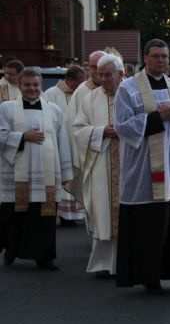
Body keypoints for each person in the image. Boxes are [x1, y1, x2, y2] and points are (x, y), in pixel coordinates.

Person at [114, 39, 170, 294]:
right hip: (145, 169)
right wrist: (157, 117)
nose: (161, 60)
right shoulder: (128, 89)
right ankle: (149, 276)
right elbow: (122, 125)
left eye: (165, 56)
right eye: (156, 56)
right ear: (145, 58)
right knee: (149, 225)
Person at [0, 68, 72, 270]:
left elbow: (62, 141)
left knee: (44, 217)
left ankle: (45, 257)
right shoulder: (6, 109)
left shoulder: (54, 110)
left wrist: (66, 172)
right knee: (14, 216)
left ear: (41, 86)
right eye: (27, 85)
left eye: (35, 85)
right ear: (20, 86)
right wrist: (23, 136)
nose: (32, 88)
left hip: (46, 174)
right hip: (16, 174)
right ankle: (11, 250)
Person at [72, 54, 123, 278]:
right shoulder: (89, 99)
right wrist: (101, 131)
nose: (103, 79)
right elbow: (77, 129)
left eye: (108, 74)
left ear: (121, 74)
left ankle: (128, 263)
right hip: (100, 164)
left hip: (128, 165)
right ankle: (103, 263)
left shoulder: (132, 96)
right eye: (100, 74)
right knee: (103, 212)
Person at [43, 65, 87, 227]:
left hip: (77, 142)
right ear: (69, 80)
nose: (82, 84)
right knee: (63, 176)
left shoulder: (80, 93)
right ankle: (63, 214)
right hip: (60, 141)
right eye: (79, 81)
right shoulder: (51, 94)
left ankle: (76, 213)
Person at [64, 50, 106, 205]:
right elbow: (72, 127)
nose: (97, 70)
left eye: (100, 65)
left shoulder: (120, 87)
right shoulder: (82, 91)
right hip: (88, 155)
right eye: (93, 66)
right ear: (88, 68)